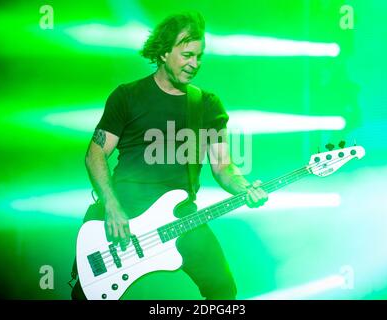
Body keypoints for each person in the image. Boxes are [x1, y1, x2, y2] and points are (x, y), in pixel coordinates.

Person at [71, 12, 268, 300]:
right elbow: (95, 154)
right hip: (126, 215)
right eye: (187, 55)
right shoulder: (127, 96)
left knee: (224, 291)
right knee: (90, 294)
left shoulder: (207, 105)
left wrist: (244, 187)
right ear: (164, 52)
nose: (194, 64)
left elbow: (223, 166)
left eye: (199, 57)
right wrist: (112, 206)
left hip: (181, 217)